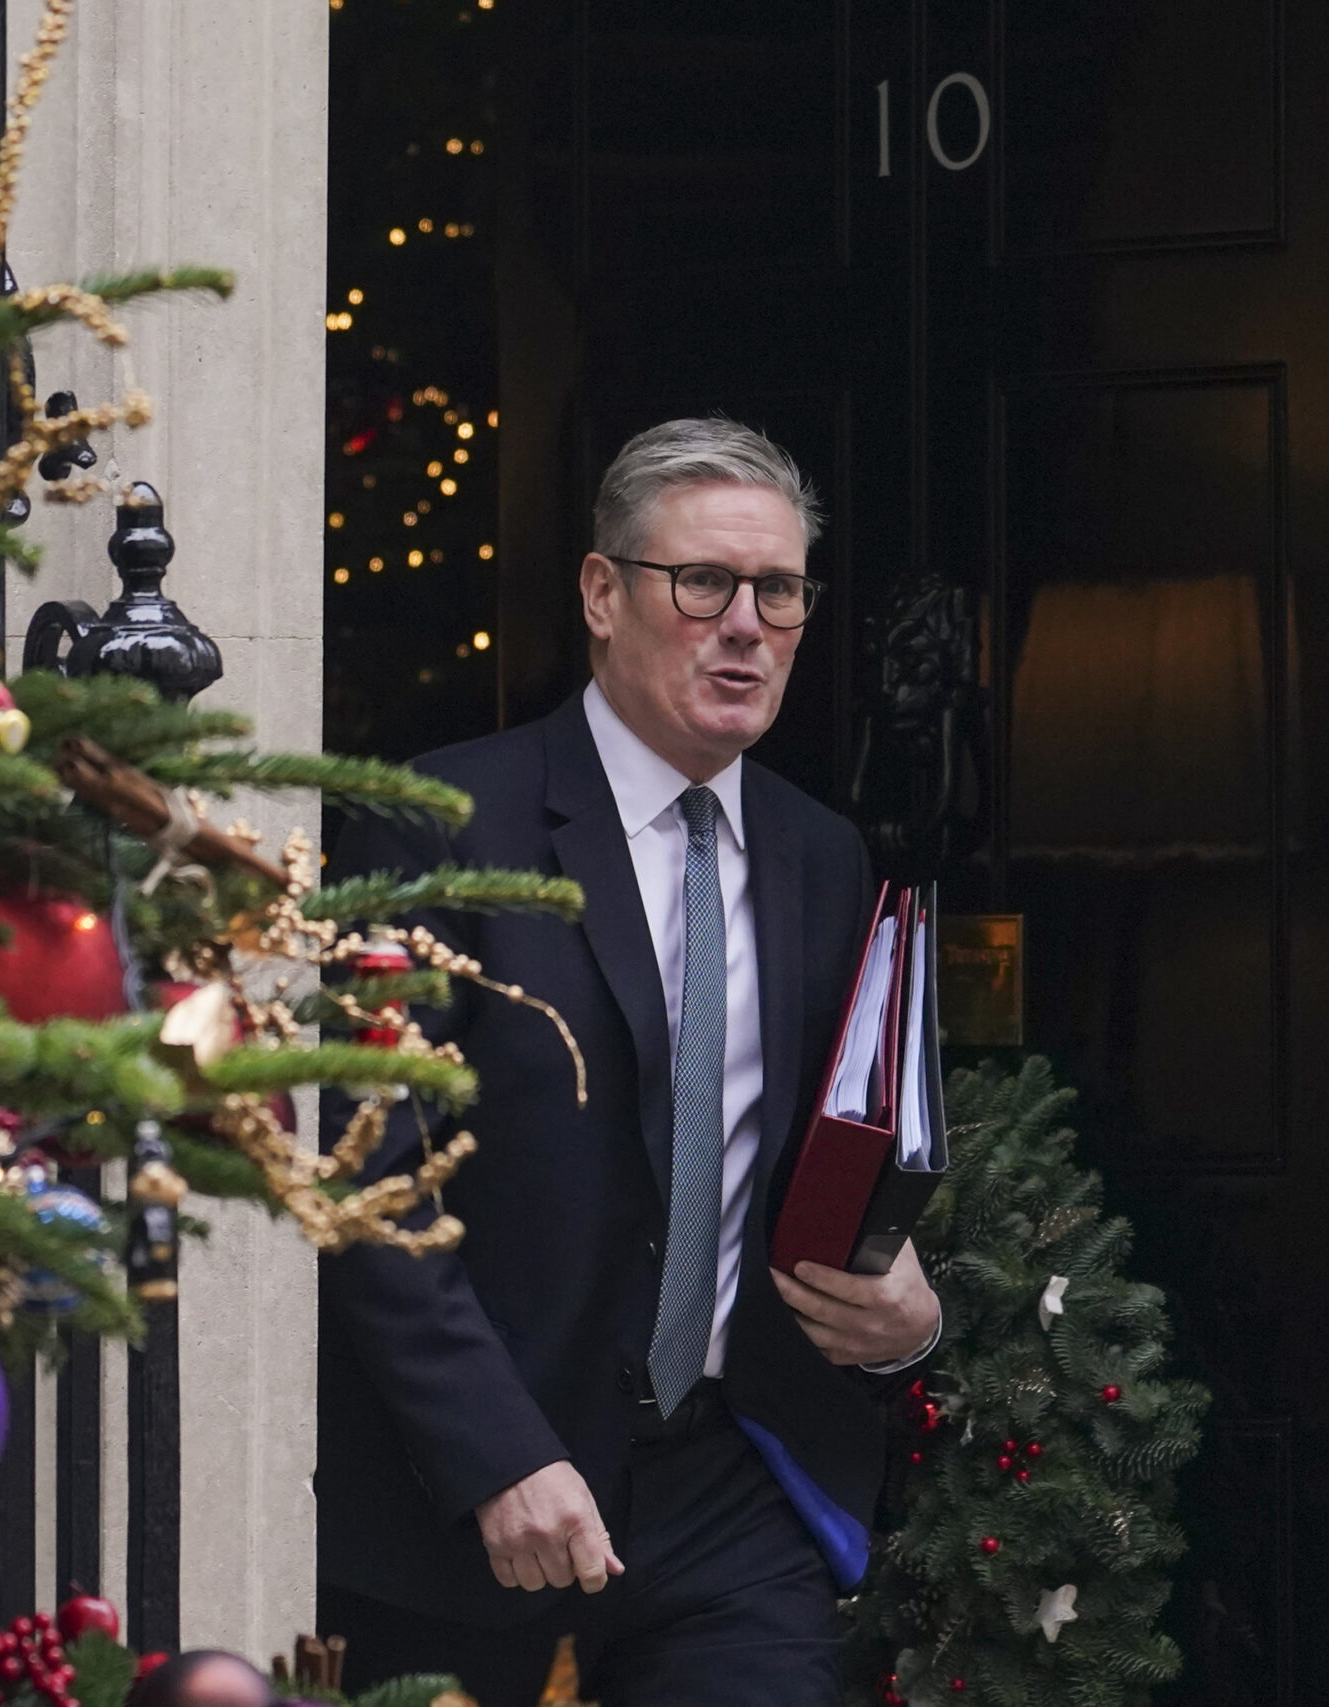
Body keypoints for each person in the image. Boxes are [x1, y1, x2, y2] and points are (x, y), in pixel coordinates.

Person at [318, 418, 942, 1707]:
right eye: (702, 582)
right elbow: (363, 1168)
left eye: (779, 592)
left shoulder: (822, 854)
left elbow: (851, 1135)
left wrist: (902, 1310)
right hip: (477, 1491)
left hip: (730, 1485)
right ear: (603, 595)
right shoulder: (436, 821)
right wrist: (494, 1456)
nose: (746, 624)